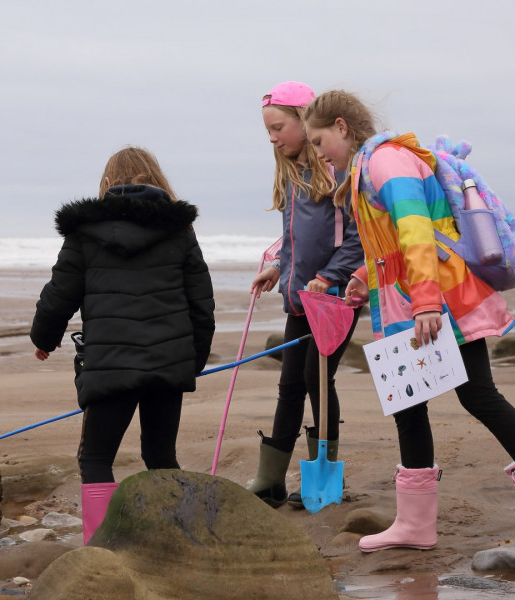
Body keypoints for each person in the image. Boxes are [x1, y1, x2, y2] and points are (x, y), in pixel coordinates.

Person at [303, 89, 515, 552]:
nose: (319, 154)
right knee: (415, 403)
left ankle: (416, 525)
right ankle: (415, 525)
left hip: (436, 300)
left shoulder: (385, 161)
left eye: (319, 143)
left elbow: (416, 230)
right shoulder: (371, 165)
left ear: (341, 126)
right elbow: (393, 243)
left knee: (474, 394)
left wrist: (425, 303)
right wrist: (363, 276)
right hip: (410, 300)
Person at [30, 147, 215, 544]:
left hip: (110, 364)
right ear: (157, 181)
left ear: (108, 185)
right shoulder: (179, 230)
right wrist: (191, 360)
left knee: (95, 458)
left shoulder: (84, 233)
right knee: (160, 457)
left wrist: (44, 338)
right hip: (168, 364)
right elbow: (202, 302)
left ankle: (101, 553)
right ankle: (176, 542)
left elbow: (60, 293)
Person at [247, 81, 364, 509]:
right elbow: (295, 239)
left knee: (319, 380)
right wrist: (278, 268)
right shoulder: (292, 177)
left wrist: (328, 277)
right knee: (289, 385)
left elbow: (356, 239)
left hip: (334, 298)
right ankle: (271, 478)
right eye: (269, 133)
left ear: (303, 121)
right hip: (300, 299)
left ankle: (324, 475)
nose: (274, 138)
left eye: (279, 128)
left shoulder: (336, 172)